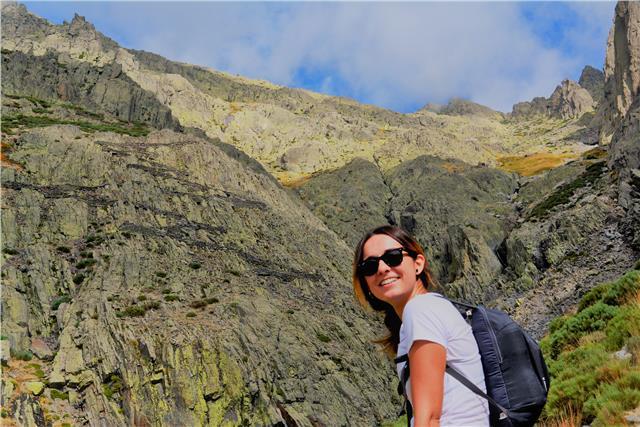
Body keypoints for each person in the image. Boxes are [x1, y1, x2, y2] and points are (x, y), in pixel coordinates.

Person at [352, 225, 489, 427]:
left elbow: (430, 418)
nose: (382, 268)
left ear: (418, 264)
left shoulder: (420, 310)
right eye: (370, 266)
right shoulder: (428, 308)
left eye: (393, 256)